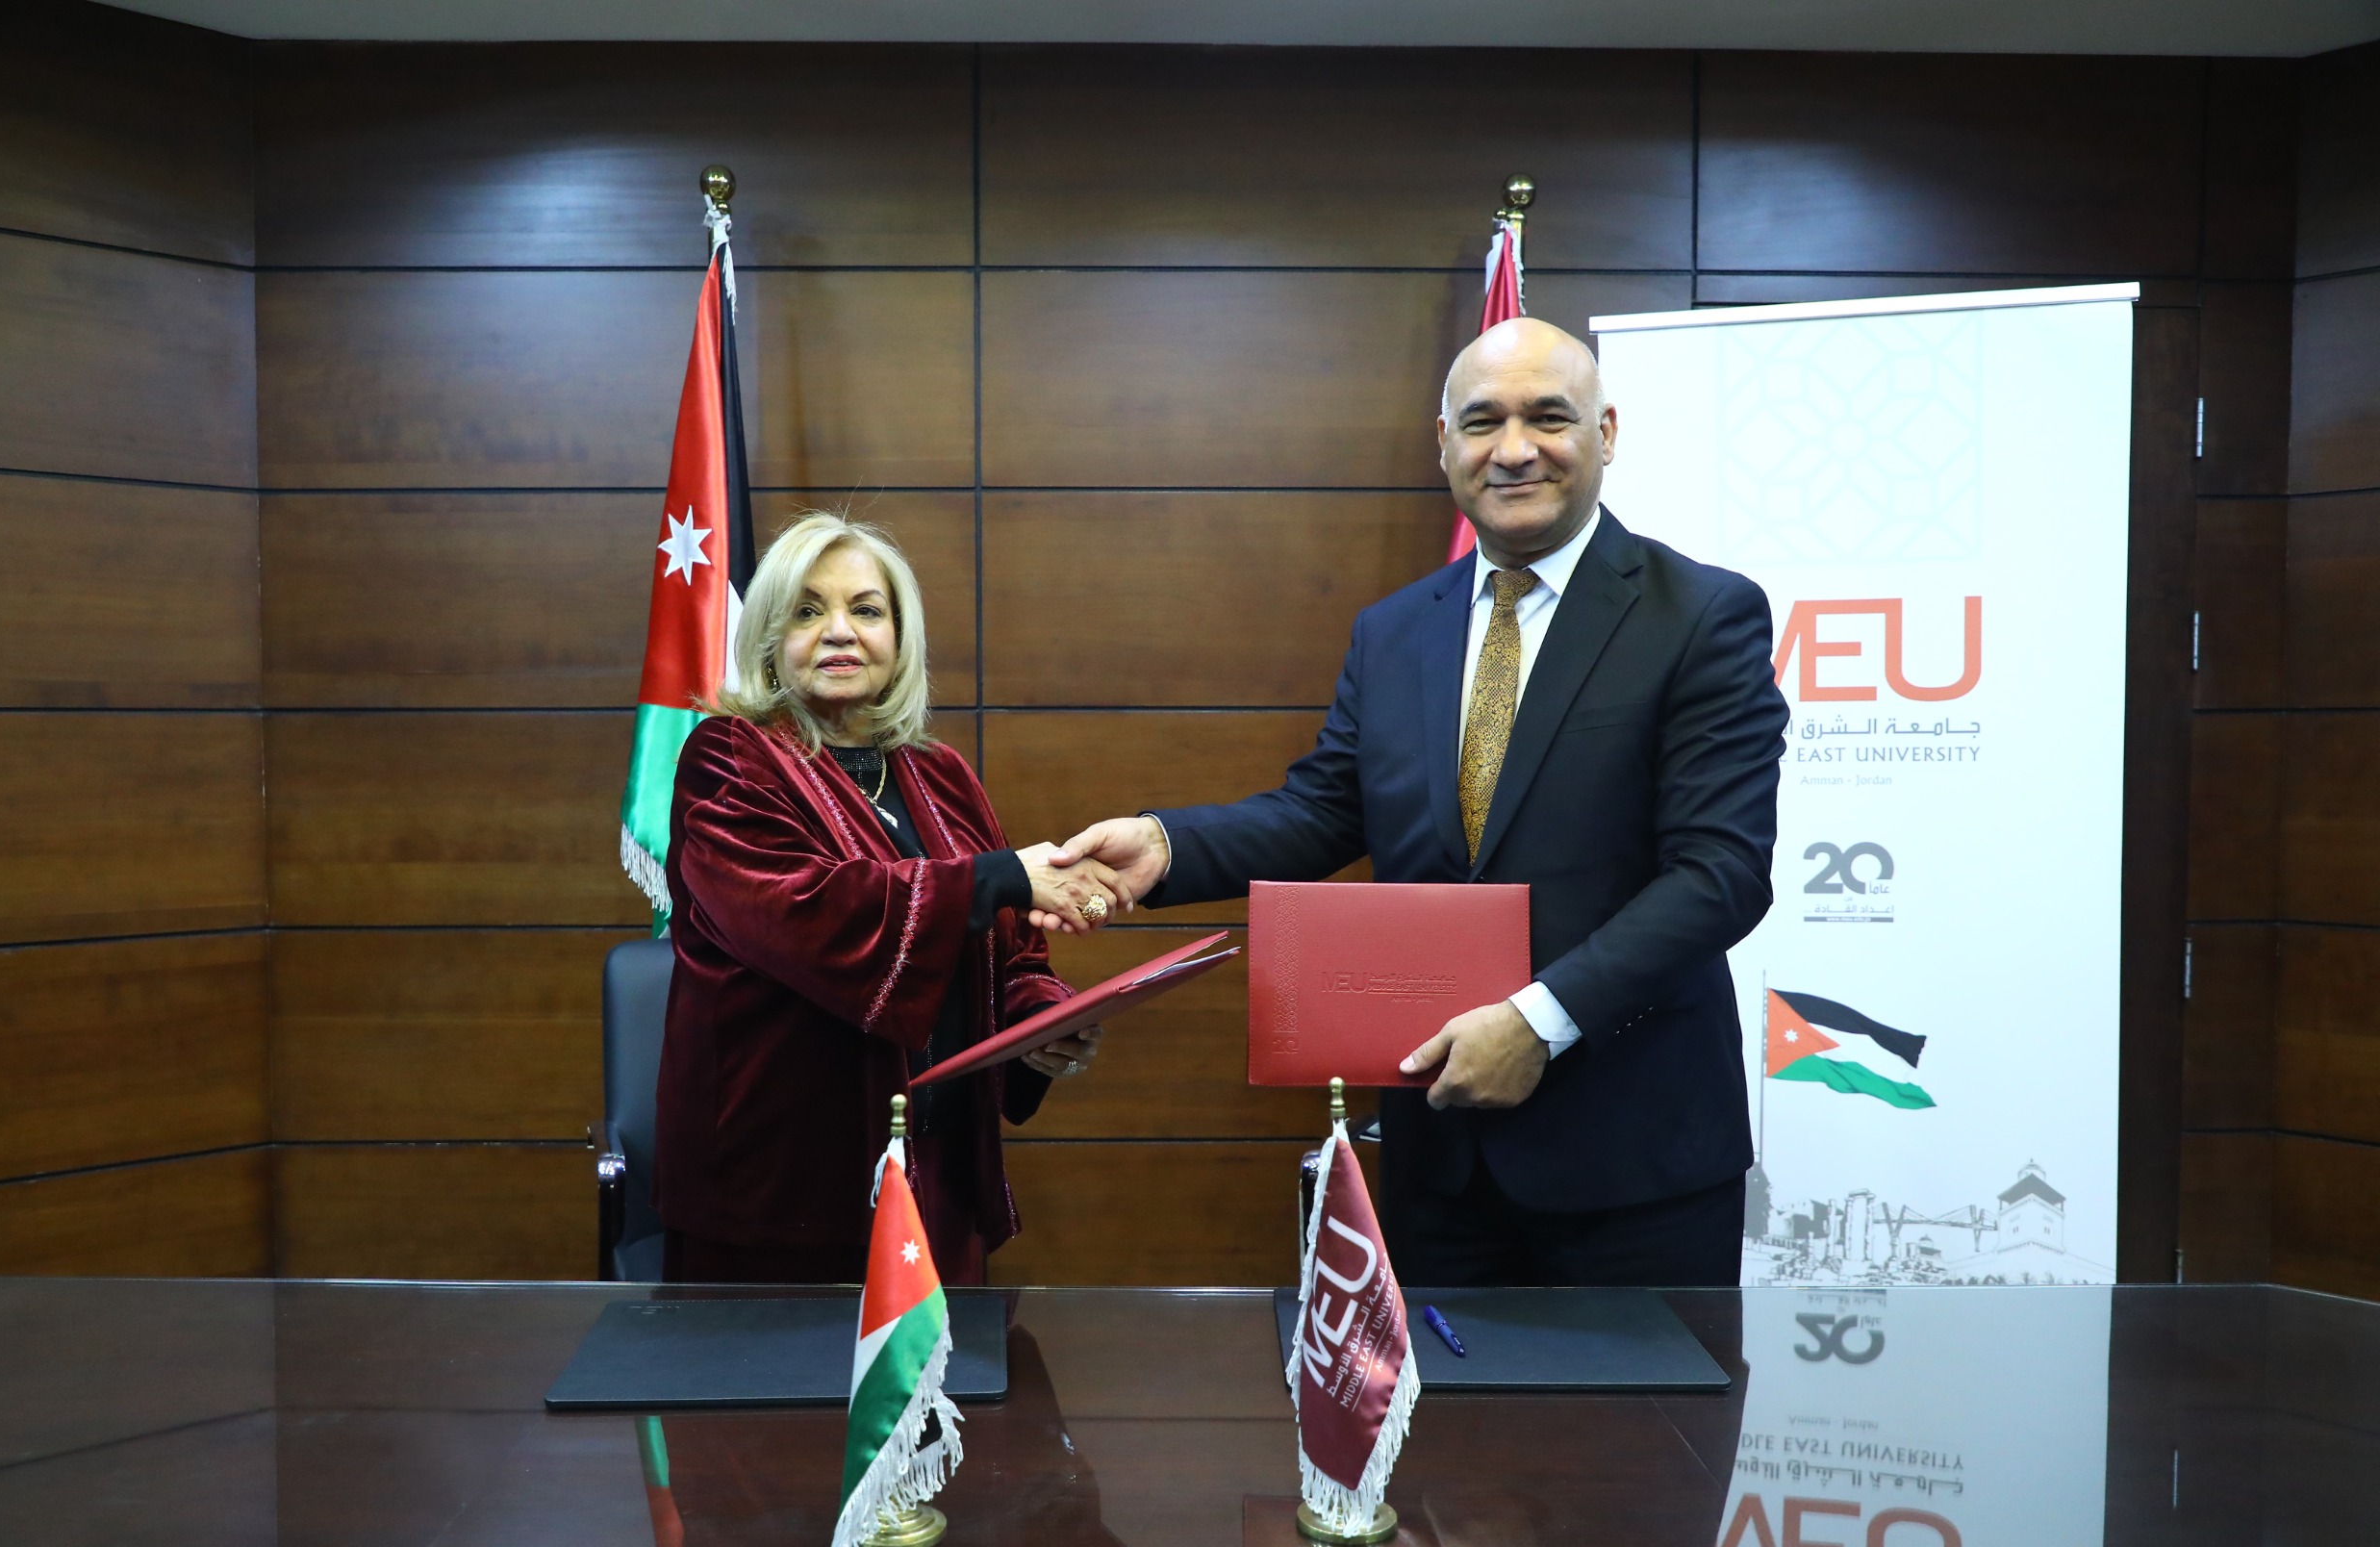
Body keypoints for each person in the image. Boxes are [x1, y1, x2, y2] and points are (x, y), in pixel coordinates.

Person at [1051, 318, 1787, 1286]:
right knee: (1444, 1394)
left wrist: (1538, 1019)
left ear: (1605, 433)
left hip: (1635, 1160)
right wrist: (1165, 845)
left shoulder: (1701, 615)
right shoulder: (1395, 630)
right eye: (1482, 422)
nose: (1513, 449)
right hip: (1440, 1158)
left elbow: (1719, 873)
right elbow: (1325, 812)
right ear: (1443, 443)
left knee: (1639, 1396)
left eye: (1548, 417)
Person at [653, 512, 1126, 1285]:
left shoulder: (939, 775)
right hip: (784, 1188)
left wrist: (1040, 1023)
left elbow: (1013, 952)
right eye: (808, 610)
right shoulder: (728, 759)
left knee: (941, 1365)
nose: (839, 631)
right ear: (769, 637)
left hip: (936, 1170)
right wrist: (998, 877)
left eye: (866, 610)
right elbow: (807, 912)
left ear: (899, 638)